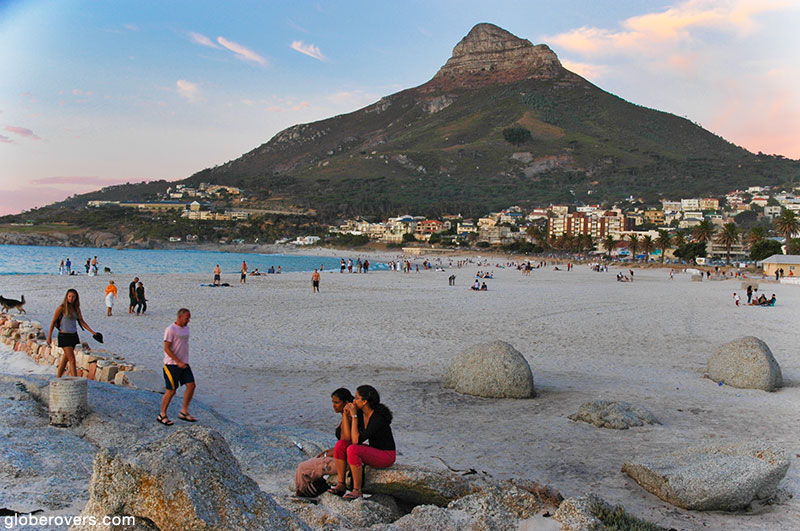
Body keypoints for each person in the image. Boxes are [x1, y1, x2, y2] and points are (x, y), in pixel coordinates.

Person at [331, 385, 396, 500]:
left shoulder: (377, 417)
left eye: (356, 398)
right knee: (341, 445)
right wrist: (346, 416)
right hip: (374, 451)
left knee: (353, 449)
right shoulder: (362, 414)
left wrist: (354, 416)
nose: (354, 401)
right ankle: (341, 484)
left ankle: (357, 490)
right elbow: (345, 438)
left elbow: (356, 440)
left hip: (386, 455)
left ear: (365, 401)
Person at [294, 388, 354, 497]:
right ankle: (318, 490)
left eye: (337, 402)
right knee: (316, 461)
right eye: (333, 402)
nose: (334, 405)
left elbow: (345, 443)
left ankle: (302, 494)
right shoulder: (348, 417)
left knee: (303, 468)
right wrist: (327, 452)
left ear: (346, 403)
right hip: (342, 457)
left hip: (344, 461)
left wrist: (327, 454)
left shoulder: (349, 418)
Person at [47, 289, 99, 378]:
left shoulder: (76, 308)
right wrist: (49, 336)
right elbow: (53, 322)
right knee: (72, 359)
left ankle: (58, 378)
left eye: (73, 297)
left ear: (76, 298)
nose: (71, 298)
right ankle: (75, 380)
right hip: (64, 336)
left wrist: (93, 332)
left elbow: (82, 321)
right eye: (69, 296)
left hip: (73, 336)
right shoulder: (61, 308)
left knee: (65, 359)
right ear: (66, 297)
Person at [158, 308, 196, 425]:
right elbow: (167, 348)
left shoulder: (186, 329)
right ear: (179, 317)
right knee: (171, 391)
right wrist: (177, 361)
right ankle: (162, 414)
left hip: (184, 363)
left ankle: (184, 411)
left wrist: (182, 362)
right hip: (171, 365)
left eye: (189, 318)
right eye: (186, 318)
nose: (188, 320)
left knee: (191, 385)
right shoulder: (170, 329)